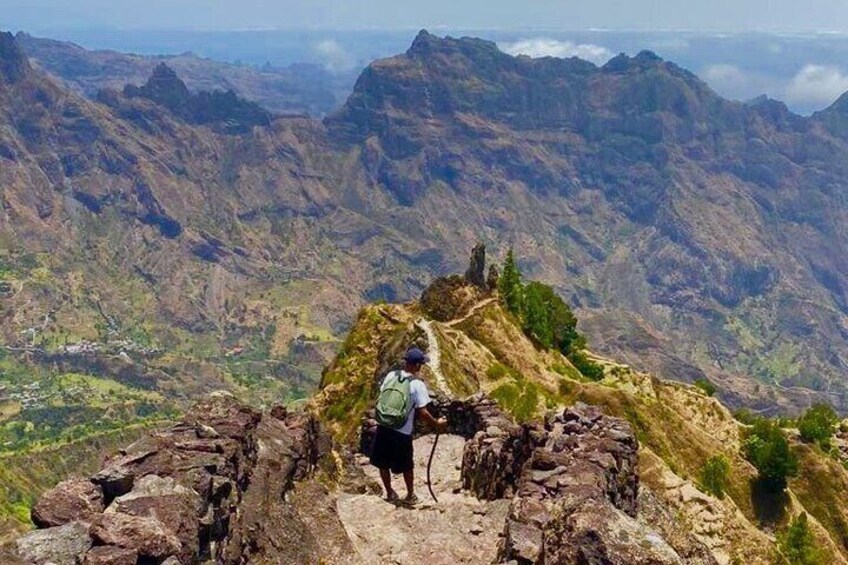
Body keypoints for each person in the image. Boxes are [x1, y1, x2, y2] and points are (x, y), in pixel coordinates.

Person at [370, 347, 447, 505]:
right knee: (406, 465)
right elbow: (423, 412)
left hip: (384, 424)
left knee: (382, 462)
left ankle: (390, 492)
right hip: (402, 431)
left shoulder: (392, 375)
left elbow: (382, 394)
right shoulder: (417, 384)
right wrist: (436, 424)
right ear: (418, 365)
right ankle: (410, 494)